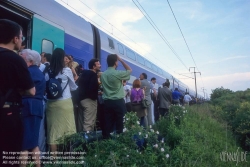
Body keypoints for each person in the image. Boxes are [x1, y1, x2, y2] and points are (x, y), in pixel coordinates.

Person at [0, 19, 35, 167]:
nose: (22, 41)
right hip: (8, 115)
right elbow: (31, 91)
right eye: (21, 37)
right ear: (15, 39)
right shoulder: (15, 59)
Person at [45, 48, 77, 153]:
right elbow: (73, 87)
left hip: (50, 104)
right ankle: (68, 159)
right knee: (68, 131)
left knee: (53, 132)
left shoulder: (47, 70)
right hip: (65, 103)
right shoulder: (66, 70)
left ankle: (53, 162)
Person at [19, 49, 46, 167]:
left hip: (27, 107)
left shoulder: (27, 72)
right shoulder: (40, 73)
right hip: (37, 108)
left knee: (23, 144)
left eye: (22, 58)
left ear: (30, 61)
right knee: (34, 143)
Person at [101, 54, 132, 139]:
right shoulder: (118, 73)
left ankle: (107, 141)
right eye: (117, 61)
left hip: (107, 102)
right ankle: (120, 141)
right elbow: (129, 70)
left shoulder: (103, 75)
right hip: (118, 102)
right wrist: (121, 60)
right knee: (121, 123)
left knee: (108, 123)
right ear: (115, 62)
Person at [77, 59, 101, 132]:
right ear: (94, 67)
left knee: (81, 122)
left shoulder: (83, 73)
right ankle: (86, 141)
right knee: (89, 123)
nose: (100, 65)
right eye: (98, 64)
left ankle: (80, 139)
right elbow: (92, 88)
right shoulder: (93, 75)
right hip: (89, 102)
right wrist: (96, 94)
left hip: (81, 100)